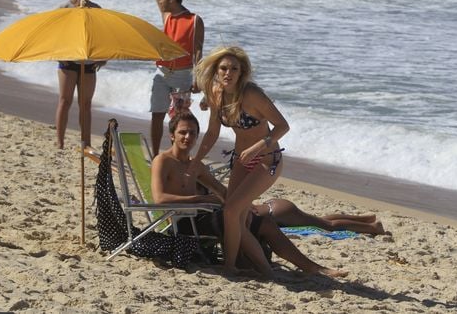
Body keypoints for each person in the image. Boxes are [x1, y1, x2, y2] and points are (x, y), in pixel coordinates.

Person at [151, 112, 347, 279]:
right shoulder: (163, 161)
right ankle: (267, 271)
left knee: (264, 222)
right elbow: (159, 199)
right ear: (171, 136)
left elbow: (222, 191)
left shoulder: (196, 165)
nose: (187, 137)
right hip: (184, 223)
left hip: (204, 215)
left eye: (192, 133)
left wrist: (243, 203)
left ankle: (312, 267)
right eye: (182, 132)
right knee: (235, 219)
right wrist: (201, 199)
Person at [187, 46, 290, 275]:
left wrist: (258, 146)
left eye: (234, 68)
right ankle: (238, 264)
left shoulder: (252, 94)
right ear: (216, 70)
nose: (228, 73)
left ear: (241, 72)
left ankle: (234, 267)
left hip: (266, 160)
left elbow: (283, 126)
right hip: (241, 160)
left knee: (232, 211)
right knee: (234, 214)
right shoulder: (216, 93)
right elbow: (212, 132)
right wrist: (197, 160)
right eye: (223, 68)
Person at [150, 0, 204, 157]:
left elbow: (197, 52)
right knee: (157, 114)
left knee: (180, 119)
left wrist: (198, 79)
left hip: (183, 75)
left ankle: (179, 155)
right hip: (162, 72)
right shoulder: (166, 15)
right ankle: (156, 155)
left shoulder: (194, 20)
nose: (160, 1)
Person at [55, 0, 103, 149]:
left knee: (86, 104)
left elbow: (101, 36)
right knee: (65, 100)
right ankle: (60, 141)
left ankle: (86, 142)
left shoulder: (96, 9)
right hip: (68, 61)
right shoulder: (64, 8)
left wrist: (103, 58)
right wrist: (61, 54)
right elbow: (56, 34)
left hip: (88, 62)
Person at [252, 199, 390, 236]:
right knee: (319, 220)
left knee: (327, 225)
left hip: (276, 213)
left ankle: (372, 227)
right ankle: (363, 219)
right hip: (272, 205)